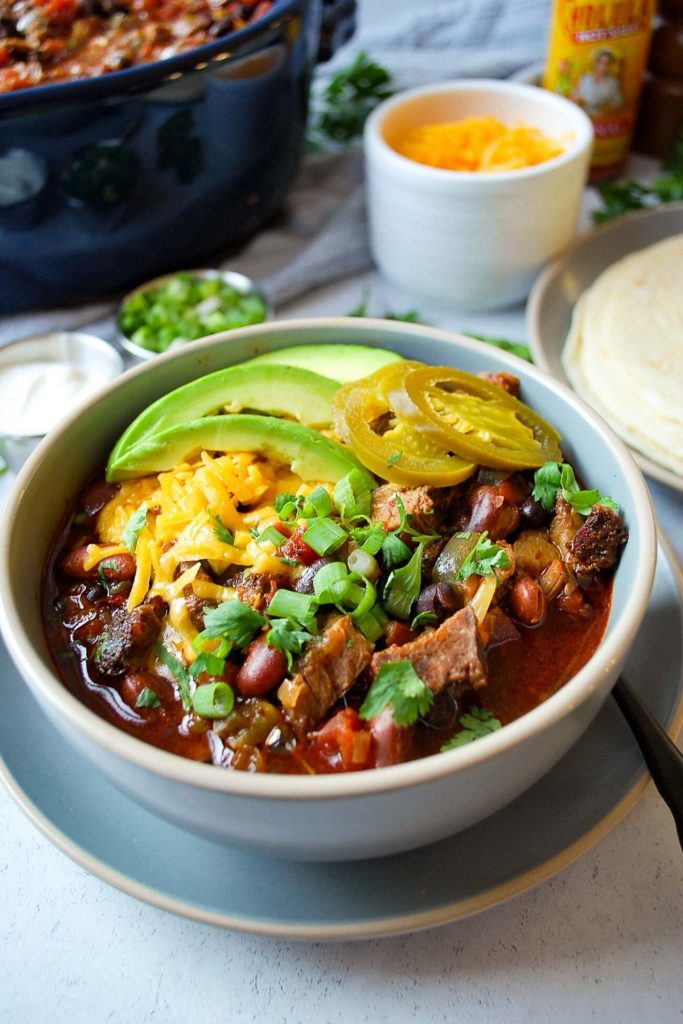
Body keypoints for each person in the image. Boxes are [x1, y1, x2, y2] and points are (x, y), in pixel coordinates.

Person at [572, 49, 623, 117]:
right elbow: (575, 95)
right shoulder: (585, 78)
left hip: (603, 117)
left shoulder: (613, 83)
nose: (603, 67)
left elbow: (618, 103)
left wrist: (606, 113)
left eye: (607, 64)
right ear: (595, 63)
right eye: (600, 63)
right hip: (584, 115)